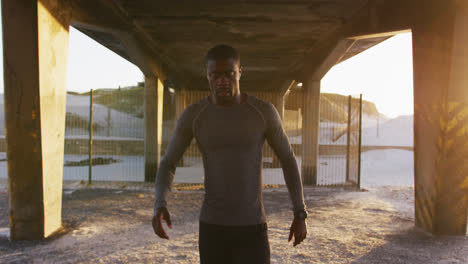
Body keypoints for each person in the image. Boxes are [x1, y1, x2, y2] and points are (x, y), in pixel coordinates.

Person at [152, 44, 308, 264]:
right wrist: (160, 203)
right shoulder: (195, 115)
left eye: (229, 74)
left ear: (240, 71)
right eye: (215, 75)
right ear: (207, 76)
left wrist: (300, 212)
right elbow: (168, 163)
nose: (222, 81)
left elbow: (288, 160)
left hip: (252, 228)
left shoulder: (263, 112)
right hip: (212, 229)